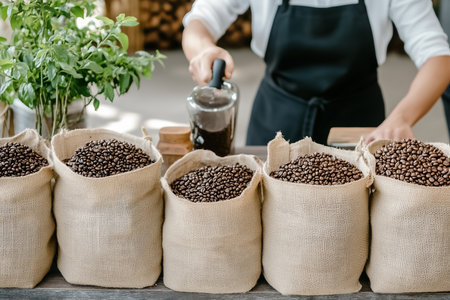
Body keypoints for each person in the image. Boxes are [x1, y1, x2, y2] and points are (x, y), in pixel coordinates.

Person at [182, 0, 450, 145]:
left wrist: (401, 119)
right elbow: (200, 20)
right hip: (275, 122)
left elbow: (439, 57)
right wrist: (204, 49)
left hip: (358, 127)